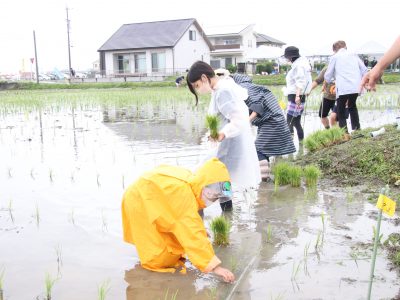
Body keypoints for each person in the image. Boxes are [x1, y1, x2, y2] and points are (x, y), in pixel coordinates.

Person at [121, 157, 235, 283]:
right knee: (159, 257)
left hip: (152, 196)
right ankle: (151, 282)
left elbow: (192, 218)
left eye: (216, 197)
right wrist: (215, 267)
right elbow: (192, 234)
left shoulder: (193, 184)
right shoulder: (183, 196)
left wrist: (201, 229)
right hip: (139, 201)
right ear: (206, 187)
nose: (213, 199)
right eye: (213, 195)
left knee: (174, 243)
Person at [186, 61, 261, 210]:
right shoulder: (221, 87)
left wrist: (222, 133)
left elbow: (239, 119)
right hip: (227, 144)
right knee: (223, 181)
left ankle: (201, 213)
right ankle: (228, 215)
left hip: (229, 146)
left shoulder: (222, 91)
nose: (198, 90)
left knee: (204, 177)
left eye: (197, 86)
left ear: (204, 78)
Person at [215, 69, 296, 180]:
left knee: (258, 151)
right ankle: (267, 179)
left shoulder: (244, 88)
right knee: (263, 150)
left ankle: (264, 183)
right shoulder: (250, 86)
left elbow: (257, 106)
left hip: (272, 122)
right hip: (272, 121)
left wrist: (245, 122)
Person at [324, 40, 368, 133]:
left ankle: (345, 133)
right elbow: (364, 69)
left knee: (341, 109)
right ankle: (357, 129)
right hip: (356, 87)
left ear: (335, 49)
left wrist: (331, 81)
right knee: (352, 106)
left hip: (343, 88)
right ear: (345, 47)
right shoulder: (354, 55)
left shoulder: (335, 57)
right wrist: (363, 81)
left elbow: (328, 75)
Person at [283, 46, 312, 142]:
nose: (286, 59)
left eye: (287, 57)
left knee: (289, 121)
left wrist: (297, 96)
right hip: (299, 96)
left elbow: (301, 81)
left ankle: (289, 146)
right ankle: (301, 144)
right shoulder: (302, 64)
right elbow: (307, 81)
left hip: (295, 96)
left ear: (291, 57)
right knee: (296, 122)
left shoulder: (298, 66)